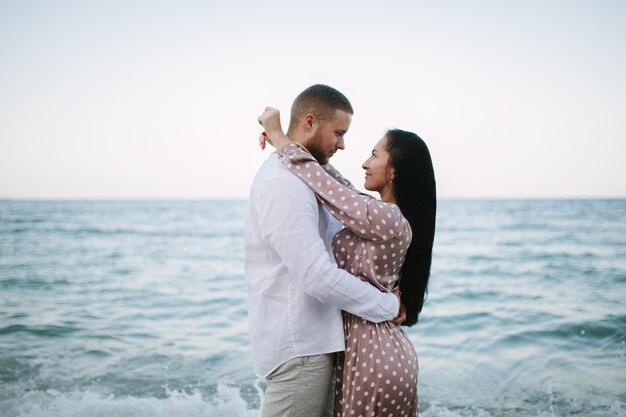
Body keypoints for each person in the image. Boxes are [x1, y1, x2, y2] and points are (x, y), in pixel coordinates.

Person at [258, 106, 436, 417]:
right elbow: (332, 179)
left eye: (374, 155)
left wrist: (276, 133)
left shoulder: (386, 217)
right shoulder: (377, 213)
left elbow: (325, 185)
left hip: (373, 356)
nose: (364, 163)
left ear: (394, 171)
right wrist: (286, 143)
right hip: (376, 351)